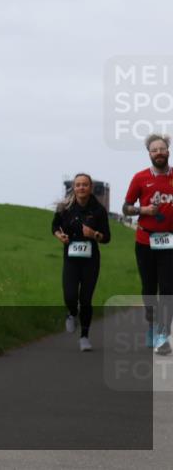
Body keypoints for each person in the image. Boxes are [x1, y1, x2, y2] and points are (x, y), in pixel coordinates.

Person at [123, 134, 173, 356]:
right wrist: (142, 210)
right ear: (149, 154)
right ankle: (152, 324)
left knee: (169, 289)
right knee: (149, 289)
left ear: (168, 151)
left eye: (162, 149)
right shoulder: (140, 178)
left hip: (170, 241)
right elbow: (126, 207)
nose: (159, 153)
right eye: (155, 150)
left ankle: (163, 335)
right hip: (145, 241)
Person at [52, 173, 110, 351]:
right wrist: (59, 236)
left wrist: (94, 235)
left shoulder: (98, 210)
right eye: (78, 185)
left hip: (90, 261)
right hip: (71, 259)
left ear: (91, 187)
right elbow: (54, 227)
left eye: (85, 185)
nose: (81, 188)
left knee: (85, 299)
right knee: (70, 296)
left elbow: (107, 237)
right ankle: (71, 313)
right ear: (74, 188)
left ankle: (84, 337)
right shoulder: (65, 208)